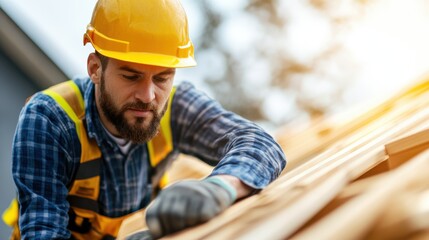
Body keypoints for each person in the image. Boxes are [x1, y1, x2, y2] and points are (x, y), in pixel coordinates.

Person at [9, 0, 286, 239]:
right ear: (95, 69)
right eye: (131, 76)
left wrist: (220, 187)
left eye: (162, 78)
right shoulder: (50, 119)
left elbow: (261, 145)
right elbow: (44, 232)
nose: (148, 96)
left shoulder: (177, 108)